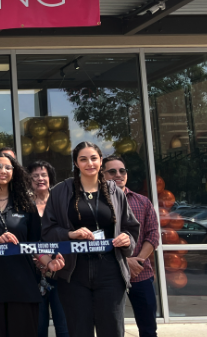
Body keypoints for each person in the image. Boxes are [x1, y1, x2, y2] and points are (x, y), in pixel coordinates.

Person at [41, 142, 140, 337]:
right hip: (74, 271)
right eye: (83, 159)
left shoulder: (114, 191)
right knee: (79, 330)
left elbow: (131, 227)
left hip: (110, 270)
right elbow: (47, 231)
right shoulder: (61, 191)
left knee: (112, 329)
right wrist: (71, 234)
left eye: (94, 158)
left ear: (101, 161)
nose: (89, 163)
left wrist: (126, 239)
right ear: (76, 164)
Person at [0, 153, 64, 335]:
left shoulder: (26, 204)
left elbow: (34, 244)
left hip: (22, 285)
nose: (4, 171)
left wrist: (49, 262)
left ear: (15, 172)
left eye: (9, 167)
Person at [103, 155, 160, 337]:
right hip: (109, 274)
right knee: (111, 328)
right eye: (112, 171)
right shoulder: (96, 205)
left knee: (148, 328)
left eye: (122, 171)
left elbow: (153, 234)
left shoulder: (142, 202)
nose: (118, 175)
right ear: (102, 175)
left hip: (140, 272)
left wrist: (139, 261)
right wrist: (124, 262)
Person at [25, 161, 69, 337]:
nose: (39, 179)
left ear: (50, 178)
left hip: (61, 270)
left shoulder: (62, 202)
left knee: (64, 325)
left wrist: (53, 259)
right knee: (38, 326)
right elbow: (23, 237)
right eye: (34, 176)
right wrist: (38, 260)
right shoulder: (24, 205)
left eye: (43, 175)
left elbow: (67, 233)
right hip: (33, 272)